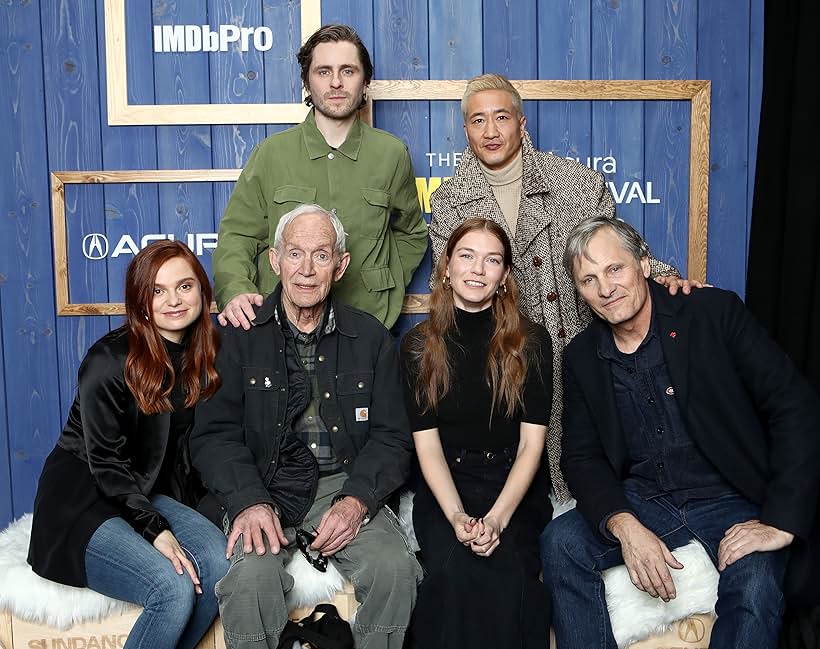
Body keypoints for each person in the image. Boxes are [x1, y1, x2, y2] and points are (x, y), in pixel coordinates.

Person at [540, 216, 820, 649]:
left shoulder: (713, 313)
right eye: (589, 279)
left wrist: (781, 521)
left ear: (644, 264)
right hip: (648, 500)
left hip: (732, 497)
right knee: (561, 543)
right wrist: (625, 524)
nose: (606, 288)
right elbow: (580, 456)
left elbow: (793, 405)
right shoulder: (582, 356)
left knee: (754, 587)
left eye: (615, 269)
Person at [429, 73, 697, 500]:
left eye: (502, 117)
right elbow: (448, 285)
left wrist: (665, 277)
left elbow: (619, 250)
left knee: (590, 471)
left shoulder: (576, 182)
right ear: (465, 130)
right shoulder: (448, 200)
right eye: (478, 121)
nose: (491, 131)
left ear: (522, 122)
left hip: (578, 343)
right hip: (501, 360)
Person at [191, 204, 422, 649]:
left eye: (321, 255)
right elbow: (214, 436)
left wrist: (357, 501)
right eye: (295, 254)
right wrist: (248, 501)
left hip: (344, 484)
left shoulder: (371, 338)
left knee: (394, 570)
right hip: (265, 484)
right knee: (250, 582)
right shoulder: (240, 336)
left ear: (341, 264)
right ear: (275, 261)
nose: (307, 270)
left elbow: (393, 437)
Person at [27, 241, 228, 649]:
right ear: (140, 300)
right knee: (171, 588)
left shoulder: (207, 354)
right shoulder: (108, 359)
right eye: (157, 290)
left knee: (218, 563)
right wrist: (156, 530)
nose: (173, 300)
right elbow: (104, 461)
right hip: (83, 496)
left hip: (146, 488)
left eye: (184, 286)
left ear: (202, 292)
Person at [213, 24, 428, 331]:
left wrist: (384, 282)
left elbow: (412, 233)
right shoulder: (272, 153)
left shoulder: (391, 154)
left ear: (365, 81)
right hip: (280, 329)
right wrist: (235, 288)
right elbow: (238, 235)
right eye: (324, 71)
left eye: (348, 71)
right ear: (307, 81)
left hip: (366, 324)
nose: (337, 82)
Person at [401, 218, 553, 649]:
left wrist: (497, 520)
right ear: (447, 266)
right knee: (452, 575)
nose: (477, 269)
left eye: (492, 261)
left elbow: (531, 447)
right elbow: (427, 447)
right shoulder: (417, 347)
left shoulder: (532, 342)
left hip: (514, 488)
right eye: (466, 256)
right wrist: (456, 517)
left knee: (508, 578)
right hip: (447, 485)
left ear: (505, 276)